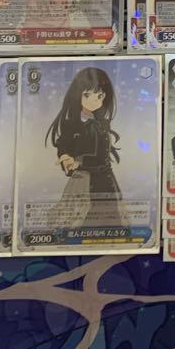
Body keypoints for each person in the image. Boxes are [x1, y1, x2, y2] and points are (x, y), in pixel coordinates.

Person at [46, 67, 122, 228]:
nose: (94, 100)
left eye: (100, 96)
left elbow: (103, 152)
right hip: (84, 179)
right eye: (87, 95)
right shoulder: (72, 124)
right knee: (80, 220)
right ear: (78, 95)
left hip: (106, 179)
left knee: (111, 219)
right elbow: (63, 144)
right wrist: (66, 157)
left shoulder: (102, 123)